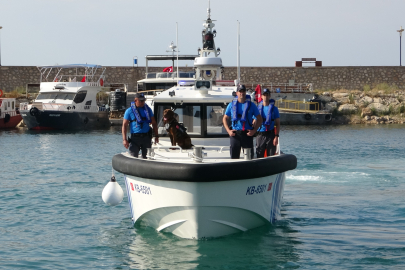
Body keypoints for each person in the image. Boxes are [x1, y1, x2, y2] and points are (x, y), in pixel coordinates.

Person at [223, 84, 263, 159]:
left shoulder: (252, 105)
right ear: (237, 93)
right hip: (235, 135)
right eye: (240, 91)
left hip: (247, 135)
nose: (242, 93)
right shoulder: (231, 105)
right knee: (234, 158)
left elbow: (259, 119)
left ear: (245, 92)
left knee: (249, 158)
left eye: (243, 91)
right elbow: (225, 118)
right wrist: (228, 131)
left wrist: (254, 131)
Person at [122, 93, 159, 158]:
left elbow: (154, 123)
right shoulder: (129, 111)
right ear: (135, 100)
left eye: (143, 101)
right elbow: (124, 125)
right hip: (135, 138)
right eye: (141, 101)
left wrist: (156, 135)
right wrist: (124, 139)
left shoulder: (148, 110)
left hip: (146, 137)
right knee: (133, 156)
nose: (142, 102)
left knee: (147, 157)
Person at [254, 88, 280, 158]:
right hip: (260, 134)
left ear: (269, 96)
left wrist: (276, 136)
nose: (265, 97)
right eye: (264, 95)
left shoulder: (274, 109)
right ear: (261, 96)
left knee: (271, 156)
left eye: (267, 95)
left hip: (270, 135)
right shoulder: (257, 109)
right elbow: (254, 121)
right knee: (259, 155)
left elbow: (277, 124)